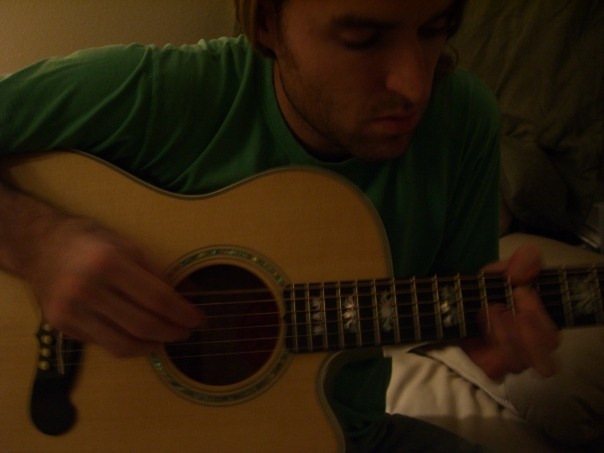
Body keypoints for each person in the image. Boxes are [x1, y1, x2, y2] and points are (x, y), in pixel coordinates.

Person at [0, 0, 559, 451]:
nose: (415, 85)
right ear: (268, 22)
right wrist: (36, 242)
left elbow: (445, 301)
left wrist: (484, 330)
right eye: (363, 38)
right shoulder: (164, 92)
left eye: (435, 29)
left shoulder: (463, 120)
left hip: (341, 435)